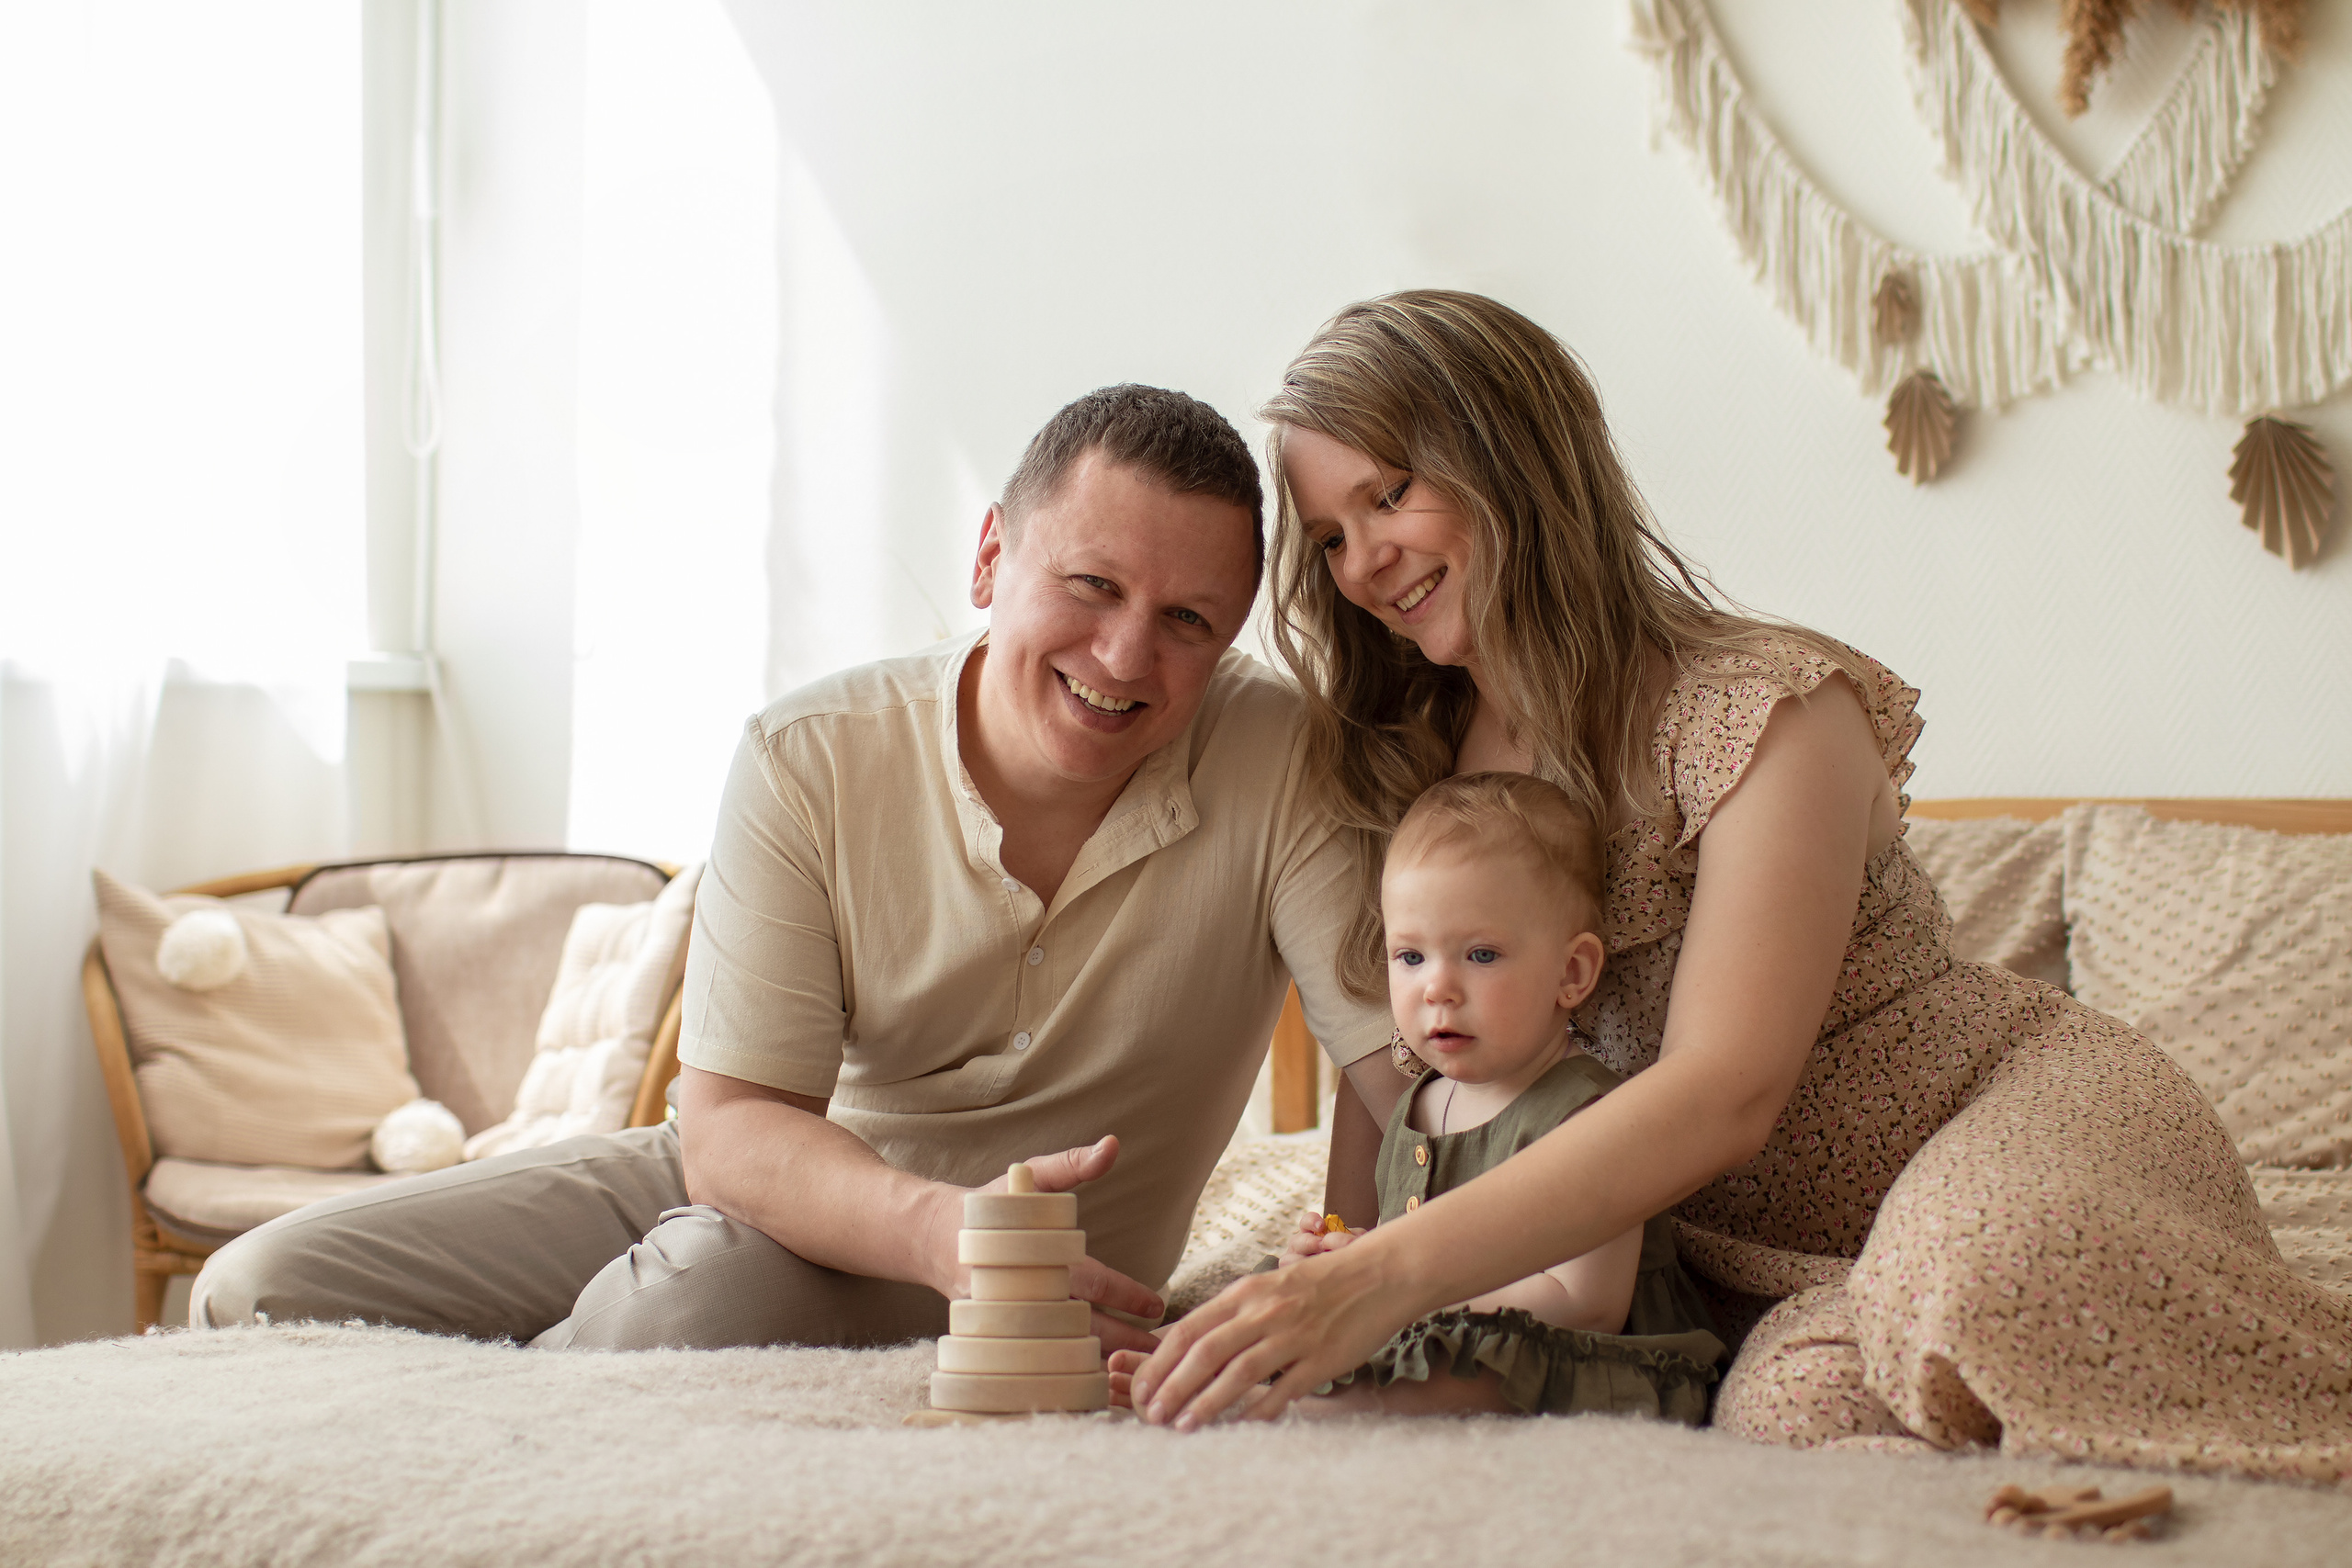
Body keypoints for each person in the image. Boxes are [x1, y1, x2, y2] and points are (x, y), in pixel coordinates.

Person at [1127, 292, 2352, 1484]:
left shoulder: (1763, 712)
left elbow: (1725, 1090)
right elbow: (1399, 1070)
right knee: (1789, 1421)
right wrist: (1329, 1283)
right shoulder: (1412, 755)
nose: (1364, 563)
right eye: (1332, 534)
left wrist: (1381, 1282)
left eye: (1391, 492)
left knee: (1983, 1278)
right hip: (1733, 1260)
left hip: (1991, 1113)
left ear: (1515, 461)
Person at [191, 384, 1389, 1352]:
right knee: (261, 1282)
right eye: (1092, 585)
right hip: (781, 1174)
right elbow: (731, 1131)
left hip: (1024, 1275)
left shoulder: (1284, 760)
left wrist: (1346, 1267)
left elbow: (1396, 1071)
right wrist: (930, 1222)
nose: (1126, 651)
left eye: (1189, 619)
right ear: (990, 560)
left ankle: (499, 1464)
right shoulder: (808, 754)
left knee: (685, 1302)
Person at [1114, 771, 1724, 1418]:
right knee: (1274, 1290)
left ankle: (1298, 1404)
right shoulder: (1417, 1106)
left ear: (1571, 972)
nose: (1438, 987)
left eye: (1481, 954)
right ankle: (1188, 1354)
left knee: (1467, 1365)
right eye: (1410, 957)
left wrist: (1398, 1292)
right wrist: (1327, 1264)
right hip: (1436, 1326)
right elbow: (1391, 1249)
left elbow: (1586, 1302)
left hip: (1577, 1353)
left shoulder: (1589, 1111)